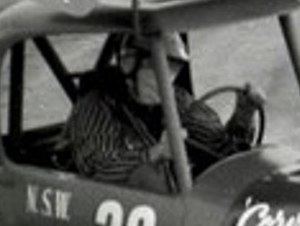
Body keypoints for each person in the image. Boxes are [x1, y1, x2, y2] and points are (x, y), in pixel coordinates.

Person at [64, 32, 263, 191]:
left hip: (182, 201)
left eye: (173, 69)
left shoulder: (177, 99)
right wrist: (155, 153)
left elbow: (220, 150)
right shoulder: (95, 106)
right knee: (150, 176)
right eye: (156, 66)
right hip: (122, 206)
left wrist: (244, 115)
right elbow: (98, 169)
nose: (167, 78)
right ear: (129, 65)